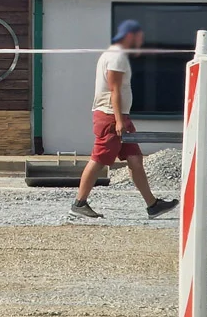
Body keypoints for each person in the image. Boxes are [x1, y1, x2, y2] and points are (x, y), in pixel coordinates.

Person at [71, 20, 179, 220]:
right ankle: (79, 203)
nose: (141, 41)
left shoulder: (115, 54)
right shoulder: (117, 56)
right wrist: (119, 121)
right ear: (131, 35)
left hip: (119, 116)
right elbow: (114, 89)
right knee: (99, 159)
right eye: (139, 37)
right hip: (111, 116)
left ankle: (152, 205)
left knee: (135, 159)